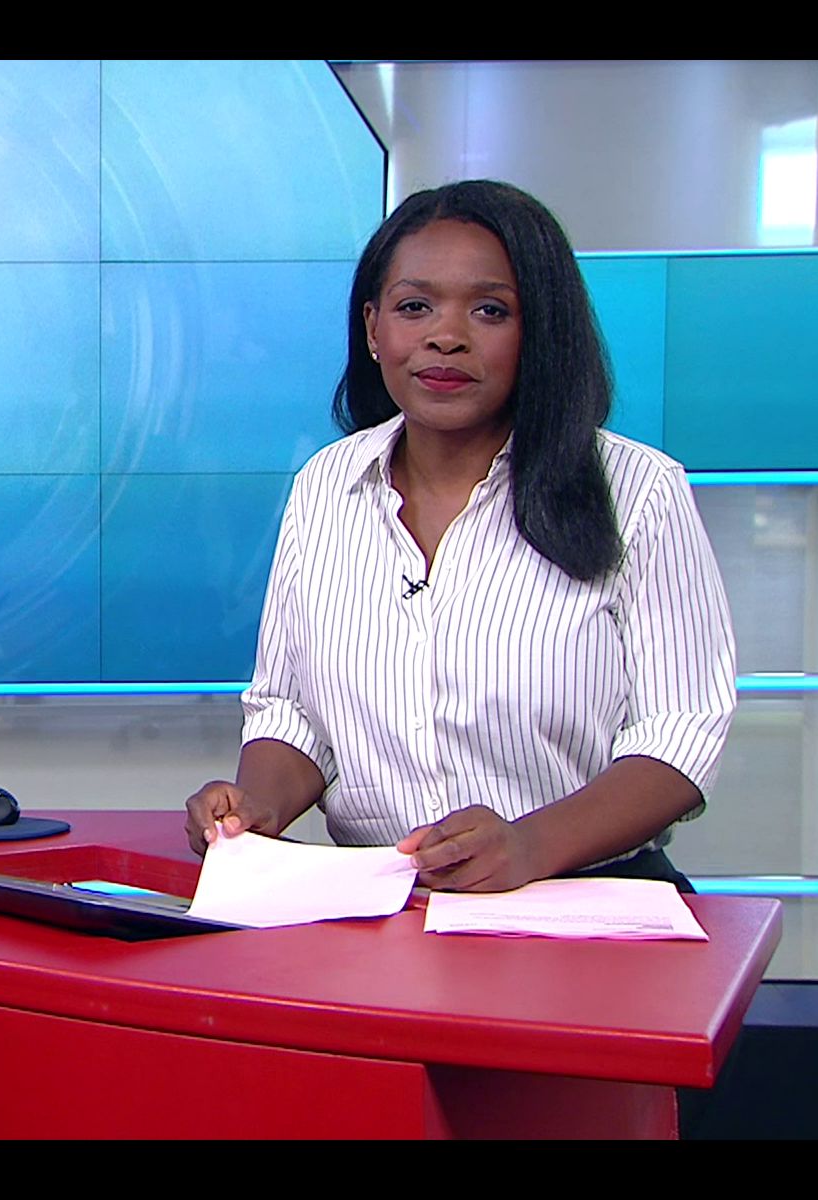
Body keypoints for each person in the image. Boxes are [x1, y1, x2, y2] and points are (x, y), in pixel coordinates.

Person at [184, 180, 736, 894]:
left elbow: (681, 734)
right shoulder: (326, 485)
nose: (446, 336)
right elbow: (293, 715)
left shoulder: (636, 489)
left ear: (540, 332)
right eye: (415, 307)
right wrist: (255, 809)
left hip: (582, 901)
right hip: (385, 905)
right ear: (373, 329)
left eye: (490, 310)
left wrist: (529, 846)